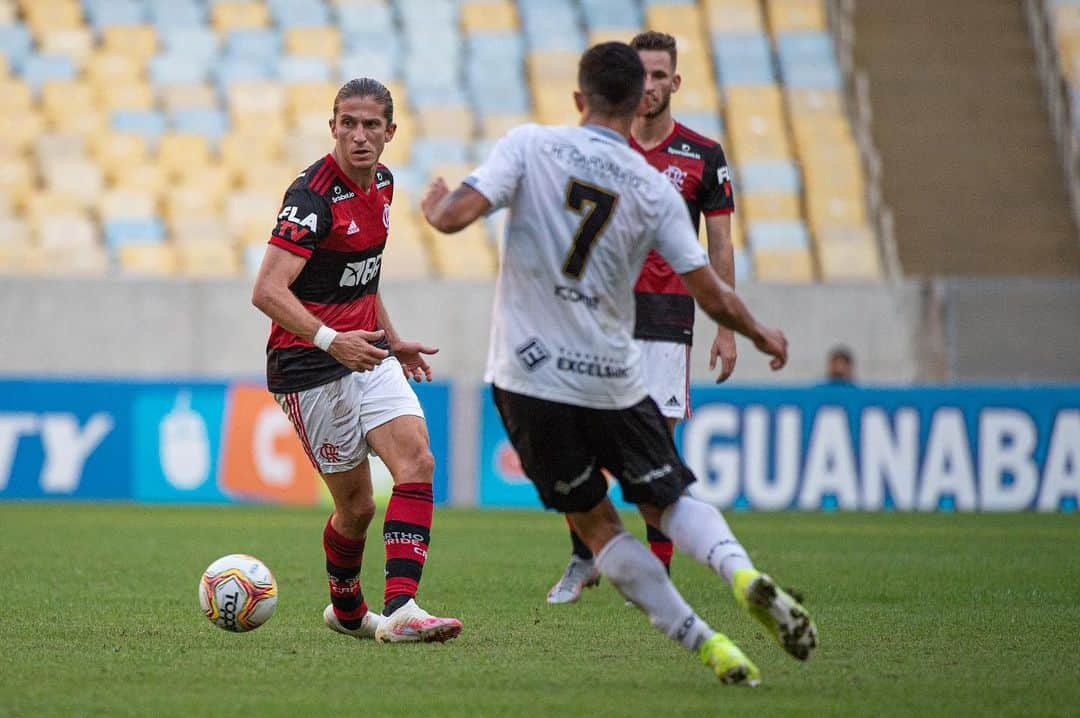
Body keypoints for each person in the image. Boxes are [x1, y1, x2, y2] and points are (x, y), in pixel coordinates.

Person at [422, 43, 817, 684]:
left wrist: (435, 204)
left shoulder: (528, 145)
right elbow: (711, 291)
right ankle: (741, 571)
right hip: (612, 375)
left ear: (579, 99)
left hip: (530, 380)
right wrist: (759, 331)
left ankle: (709, 644)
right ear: (637, 105)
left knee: (599, 526)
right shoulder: (654, 187)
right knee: (669, 498)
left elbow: (453, 218)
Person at [250, 78, 461, 645]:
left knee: (417, 460)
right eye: (349, 124)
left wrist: (391, 342)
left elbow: (364, 276)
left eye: (372, 126)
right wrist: (328, 339)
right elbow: (267, 289)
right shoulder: (311, 197)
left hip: (366, 351)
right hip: (309, 365)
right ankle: (347, 609)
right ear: (333, 127)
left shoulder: (385, 185)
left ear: (391, 132)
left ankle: (402, 609)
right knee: (358, 507)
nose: (360, 136)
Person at [547, 30, 739, 605]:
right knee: (576, 446)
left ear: (674, 82)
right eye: (642, 75)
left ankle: (656, 573)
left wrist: (726, 323)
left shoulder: (702, 156)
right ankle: (585, 558)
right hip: (597, 314)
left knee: (654, 454)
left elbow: (721, 247)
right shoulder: (599, 148)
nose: (650, 86)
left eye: (661, 76)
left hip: (665, 317)